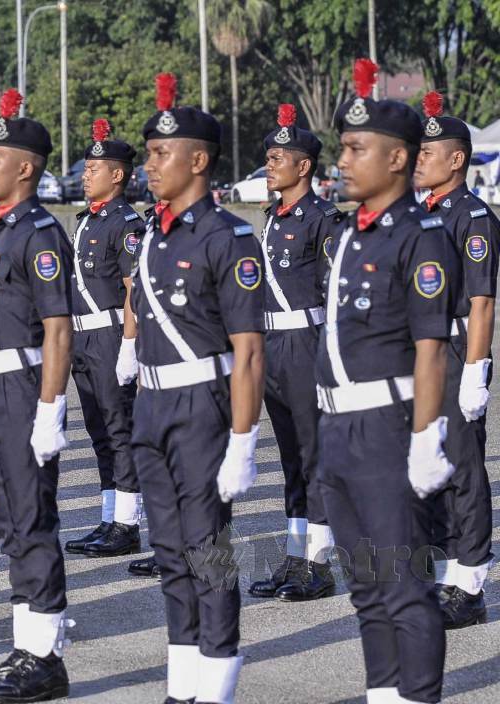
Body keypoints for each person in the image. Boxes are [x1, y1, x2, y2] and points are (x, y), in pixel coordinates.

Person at [320, 59, 455, 704]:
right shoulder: (350, 233)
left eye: (356, 149)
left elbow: (431, 351)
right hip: (339, 429)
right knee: (367, 588)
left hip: (388, 429)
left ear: (398, 158)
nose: (343, 161)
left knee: (403, 587)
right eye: (343, 148)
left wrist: (427, 439)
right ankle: (385, 695)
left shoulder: (420, 237)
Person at [132, 73, 265, 704]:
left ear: (199, 160)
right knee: (167, 550)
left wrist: (243, 439)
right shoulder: (154, 233)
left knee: (207, 549)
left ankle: (217, 685)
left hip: (201, 408)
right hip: (152, 406)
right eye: (150, 153)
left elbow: (249, 349)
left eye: (161, 154)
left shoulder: (228, 237)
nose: (150, 164)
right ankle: (182, 685)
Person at [0, 89, 72, 703]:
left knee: (31, 520)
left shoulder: (39, 233)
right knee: (8, 524)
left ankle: (45, 655)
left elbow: (59, 328)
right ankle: (26, 644)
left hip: (22, 388)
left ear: (24, 168)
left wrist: (50, 408)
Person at [246, 104, 340, 602]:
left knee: (314, 454)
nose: (269, 164)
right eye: (269, 156)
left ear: (304, 166)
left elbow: (334, 298)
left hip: (307, 345)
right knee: (289, 457)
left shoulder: (323, 219)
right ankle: (296, 552)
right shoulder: (271, 219)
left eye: (279, 157)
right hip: (273, 345)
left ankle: (319, 563)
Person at [414, 90, 497, 630]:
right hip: (418, 352)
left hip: (455, 349)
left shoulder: (474, 217)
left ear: (457, 159)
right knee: (425, 465)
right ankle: (441, 570)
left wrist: (476, 372)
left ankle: (469, 585)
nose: (418, 158)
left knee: (464, 469)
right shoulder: (418, 215)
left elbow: (483, 301)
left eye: (428, 151)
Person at [62, 118, 145, 560]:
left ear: (117, 175)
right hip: (83, 338)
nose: (85, 174)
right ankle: (110, 516)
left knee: (120, 430)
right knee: (98, 430)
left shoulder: (125, 223)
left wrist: (129, 347)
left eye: (94, 168)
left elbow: (133, 289)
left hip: (112, 335)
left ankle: (128, 524)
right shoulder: (87, 221)